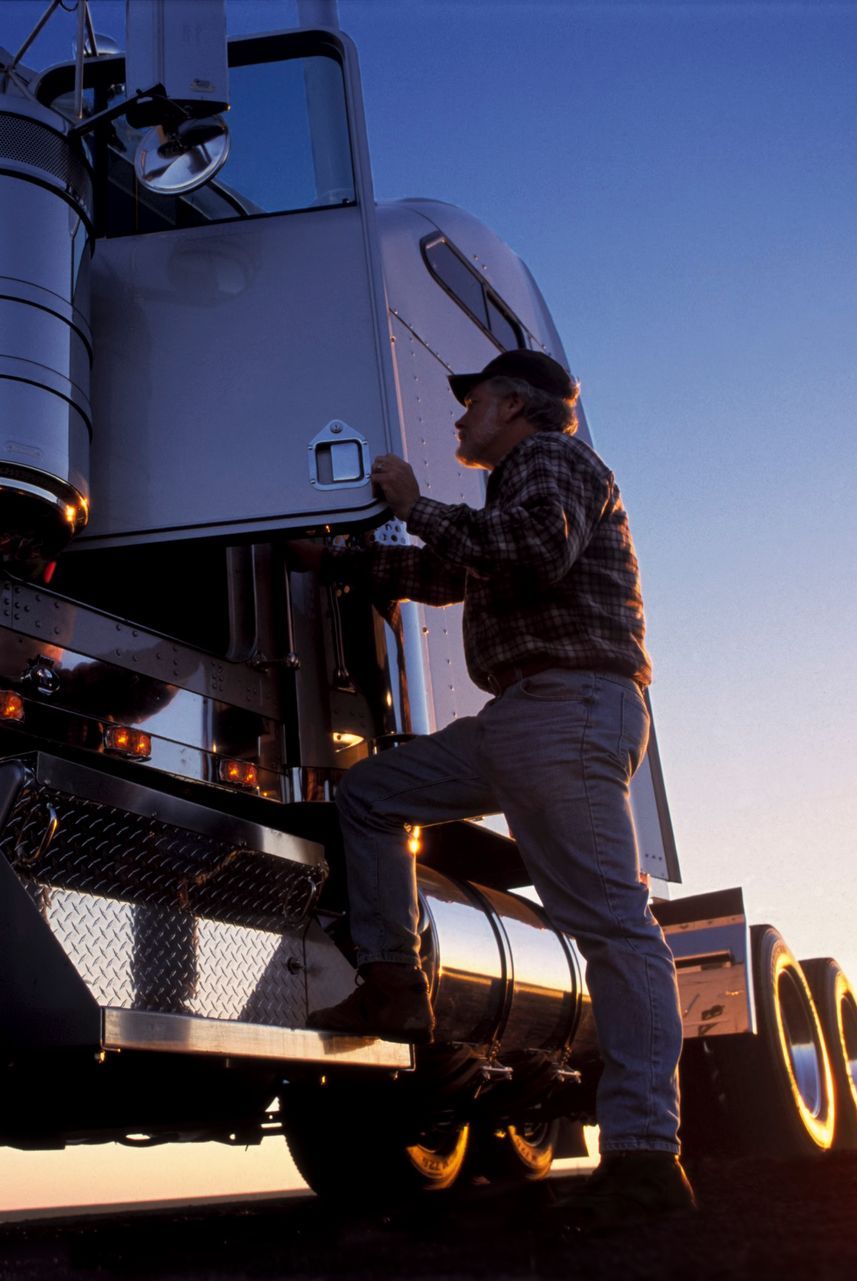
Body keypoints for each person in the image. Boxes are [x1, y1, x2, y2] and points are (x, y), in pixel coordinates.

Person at [305, 350, 695, 1221]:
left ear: (515, 404)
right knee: (371, 796)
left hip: (569, 705)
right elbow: (453, 573)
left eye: (471, 401)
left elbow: (527, 551)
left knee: (612, 928)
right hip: (529, 715)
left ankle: (645, 1153)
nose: (458, 419)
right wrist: (340, 562)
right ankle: (397, 980)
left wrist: (412, 506)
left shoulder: (553, 460)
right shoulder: (519, 479)